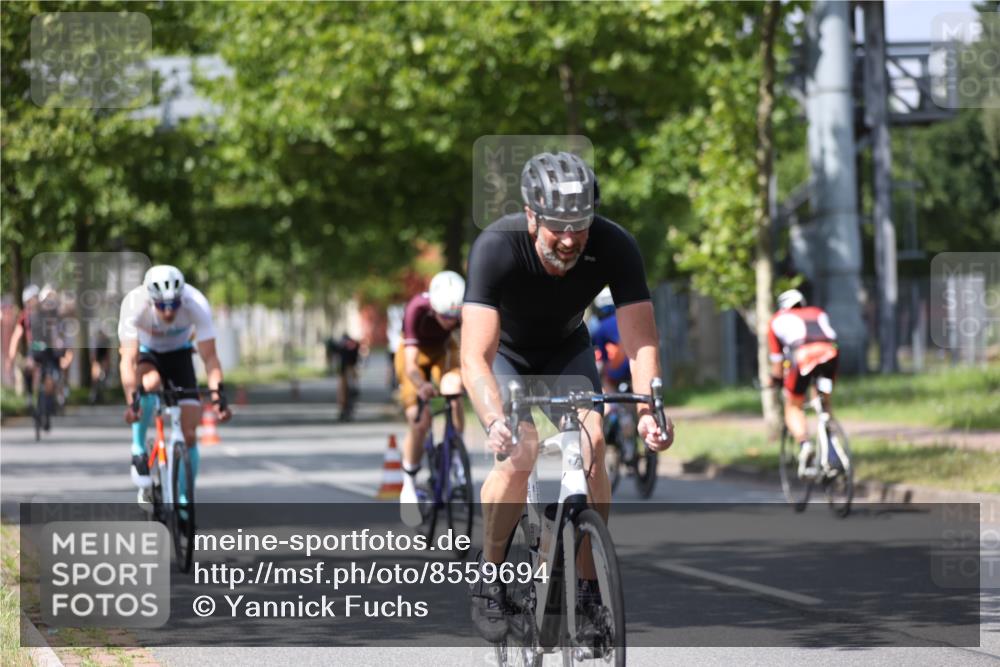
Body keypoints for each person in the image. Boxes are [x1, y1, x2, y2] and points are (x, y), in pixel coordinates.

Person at [460, 151, 674, 641]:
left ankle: (586, 586)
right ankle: (489, 579)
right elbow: (474, 355)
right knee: (520, 454)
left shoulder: (615, 244)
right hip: (505, 355)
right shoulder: (497, 245)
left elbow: (641, 340)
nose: (570, 237)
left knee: (593, 442)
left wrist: (649, 410)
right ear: (532, 215)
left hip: (565, 351)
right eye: (557, 224)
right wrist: (495, 419)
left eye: (580, 223)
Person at [119, 265, 231, 511]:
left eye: (173, 305)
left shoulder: (196, 303)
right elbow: (127, 359)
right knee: (151, 383)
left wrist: (218, 396)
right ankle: (138, 445)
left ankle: (183, 499)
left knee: (190, 433)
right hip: (148, 354)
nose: (168, 312)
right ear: (150, 300)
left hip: (180, 355)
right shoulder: (134, 304)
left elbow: (210, 358)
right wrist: (132, 402)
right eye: (161, 306)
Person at [396, 270, 466, 527]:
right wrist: (421, 385)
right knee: (419, 419)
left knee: (454, 391)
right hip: (414, 353)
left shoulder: (461, 312)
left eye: (454, 316)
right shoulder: (416, 309)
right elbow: (411, 364)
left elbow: (469, 347)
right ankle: (409, 483)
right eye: (445, 316)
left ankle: (456, 454)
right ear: (434, 308)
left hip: (444, 349)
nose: (450, 321)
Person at [768, 288, 839, 475]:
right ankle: (833, 452)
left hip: (803, 356)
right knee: (824, 401)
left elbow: (776, 362)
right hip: (830, 353)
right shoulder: (818, 312)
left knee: (793, 404)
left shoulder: (777, 319)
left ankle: (805, 445)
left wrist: (774, 380)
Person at [6, 284, 73, 426]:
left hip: (49, 351)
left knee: (50, 381)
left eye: (34, 299)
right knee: (29, 367)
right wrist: (11, 358)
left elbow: (60, 329)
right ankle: (30, 397)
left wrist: (65, 353)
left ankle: (48, 406)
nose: (32, 303)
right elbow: (17, 336)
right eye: (29, 301)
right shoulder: (25, 316)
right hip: (35, 348)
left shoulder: (49, 312)